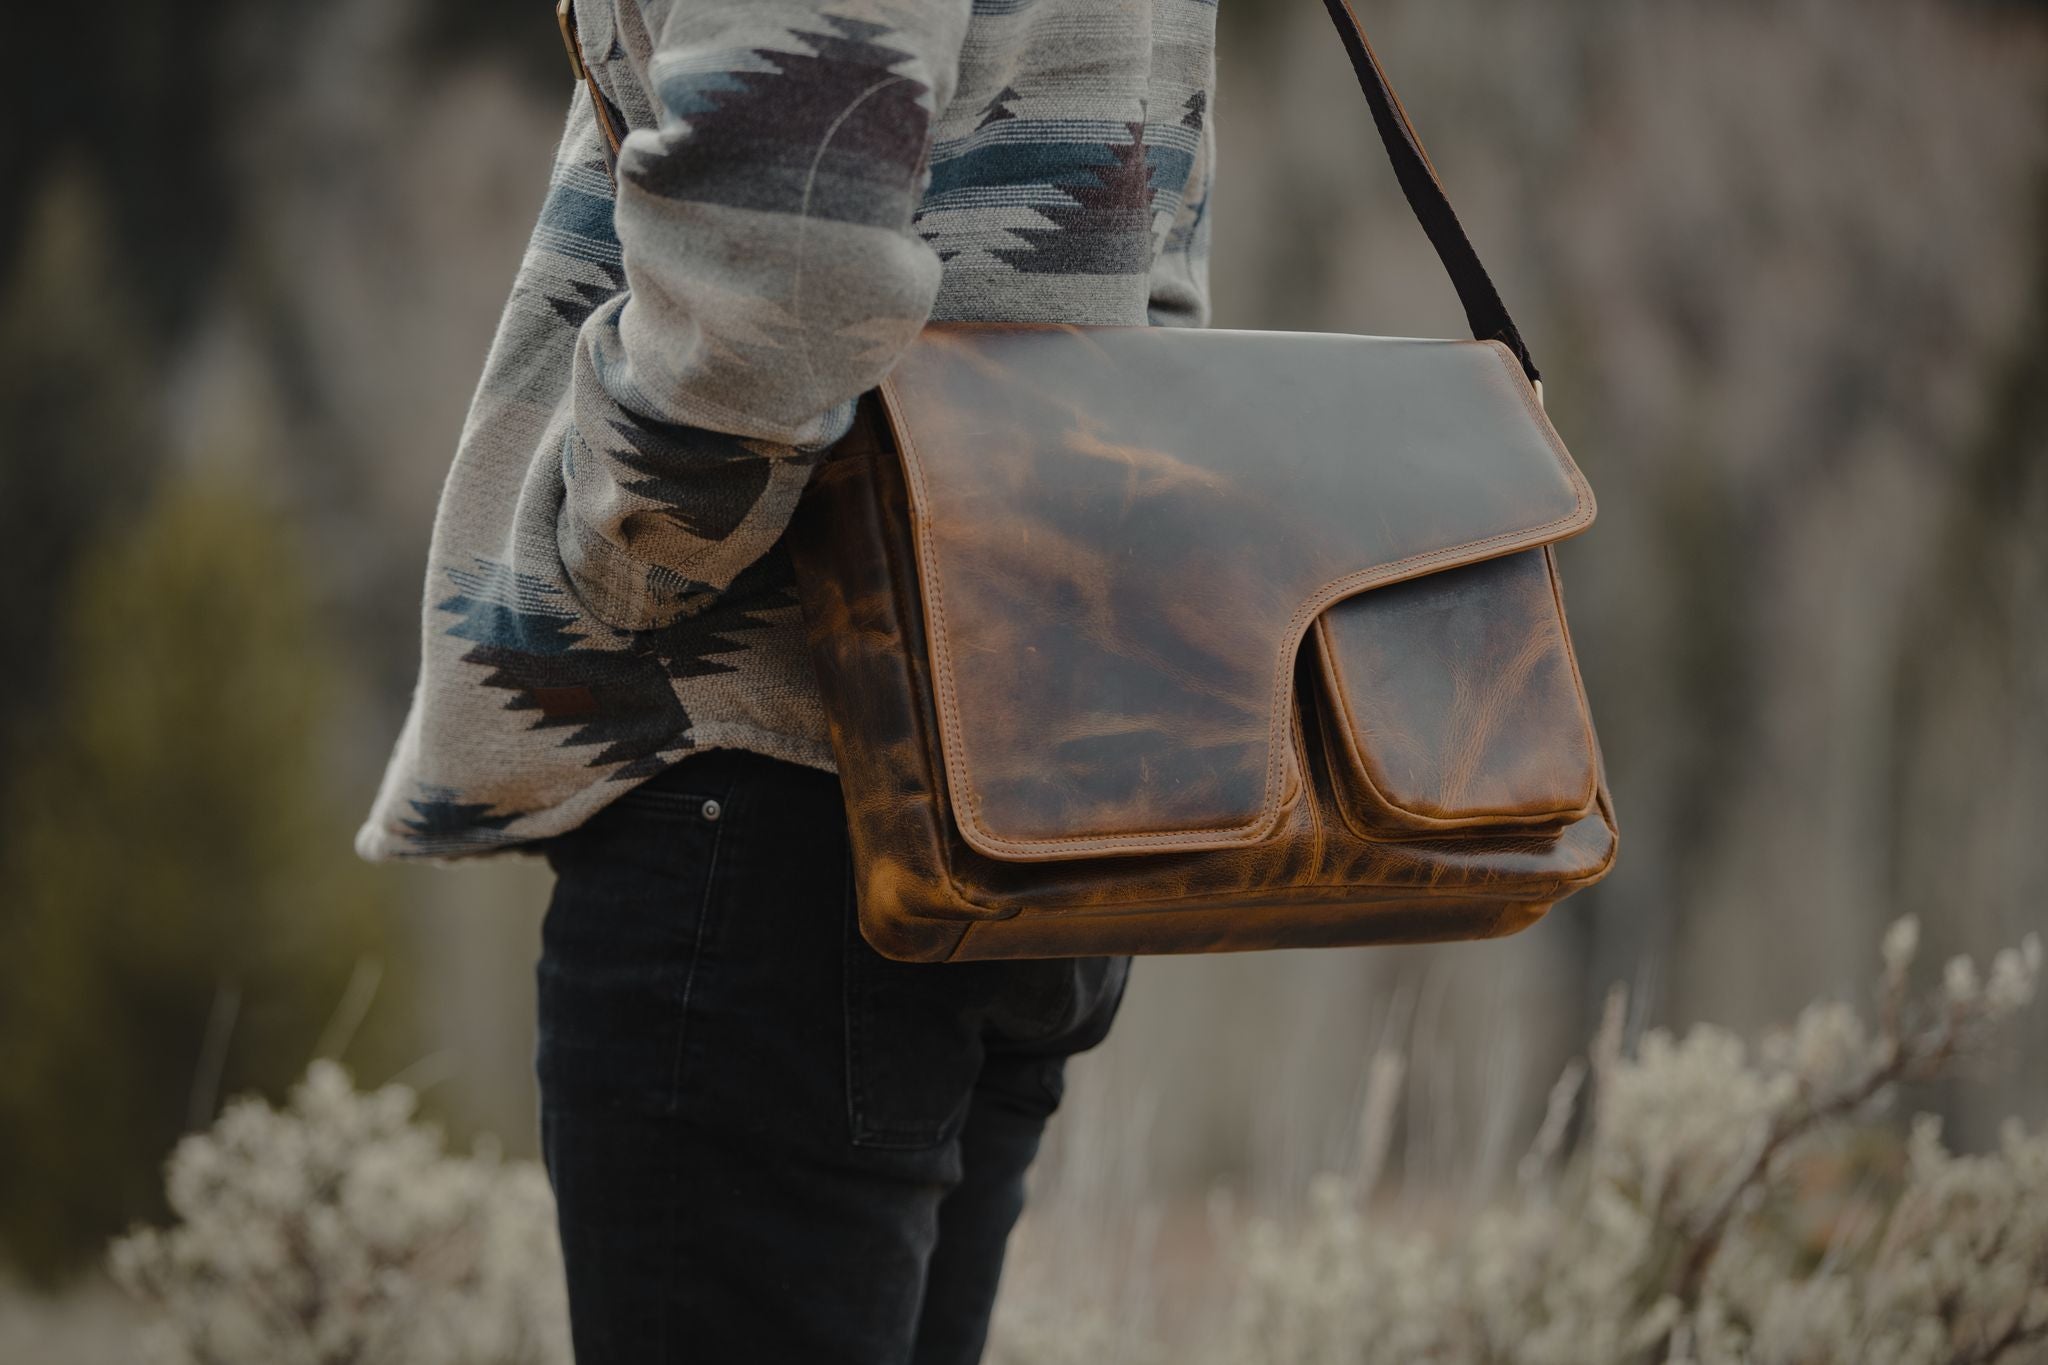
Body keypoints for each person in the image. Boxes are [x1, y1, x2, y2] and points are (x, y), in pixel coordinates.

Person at [357, 0, 1218, 1357]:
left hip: (766, 781)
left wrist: (614, 567)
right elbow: (1148, 214)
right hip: (1016, 761)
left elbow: (786, 248)